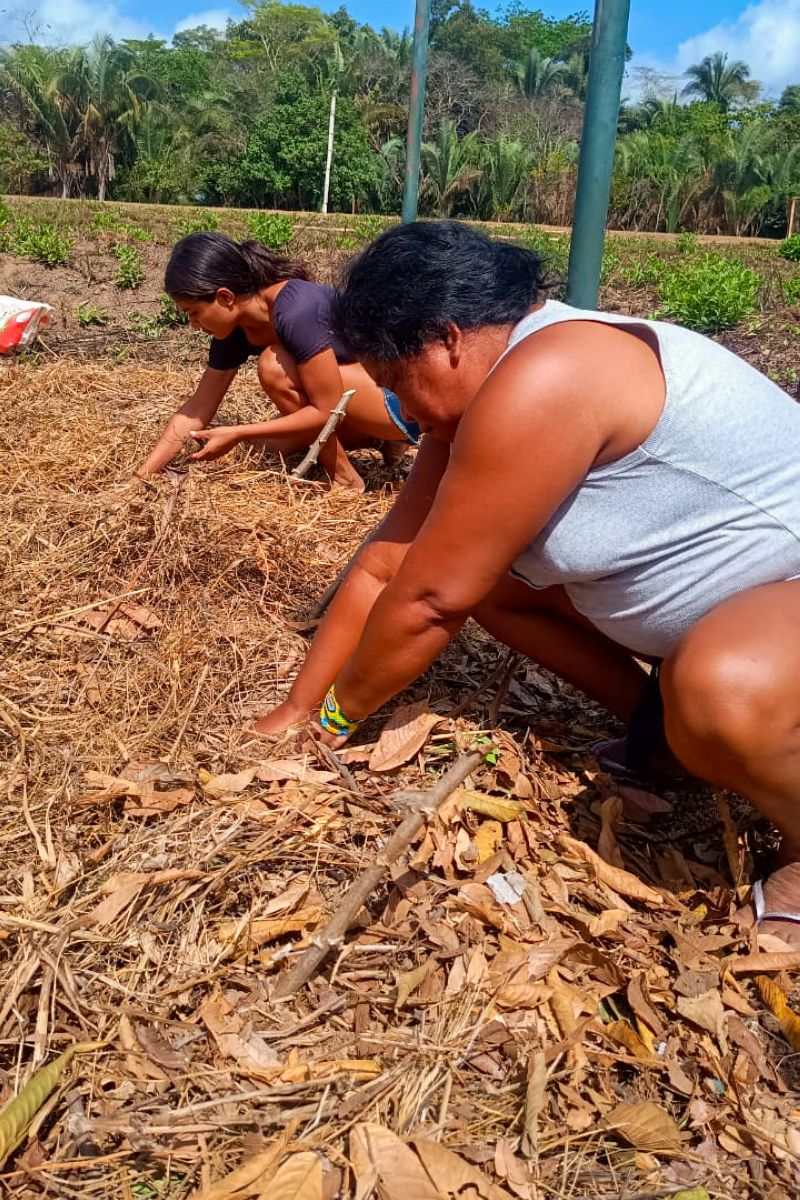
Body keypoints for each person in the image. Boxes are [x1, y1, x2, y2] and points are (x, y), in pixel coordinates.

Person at [255, 219, 800, 948]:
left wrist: (332, 726)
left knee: (722, 691)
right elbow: (393, 565)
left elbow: (427, 604)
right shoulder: (488, 384)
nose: (403, 418)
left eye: (396, 388)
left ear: (447, 340)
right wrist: (298, 705)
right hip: (744, 599)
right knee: (496, 586)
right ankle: (660, 730)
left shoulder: (546, 378)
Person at [134, 232, 419, 490]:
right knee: (263, 446)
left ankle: (345, 477)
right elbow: (196, 410)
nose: (193, 325)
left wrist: (237, 431)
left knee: (273, 365)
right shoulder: (234, 332)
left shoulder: (295, 308)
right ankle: (379, 441)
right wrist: (141, 477)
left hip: (401, 404)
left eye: (193, 312)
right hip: (353, 406)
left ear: (225, 297)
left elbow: (326, 410)